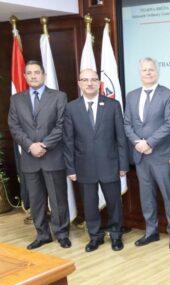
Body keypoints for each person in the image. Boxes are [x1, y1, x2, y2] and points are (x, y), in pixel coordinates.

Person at [63, 69, 129, 252]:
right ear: (79, 83)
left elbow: (121, 138)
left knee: (114, 204)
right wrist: (70, 168)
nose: (90, 83)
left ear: (99, 83)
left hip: (110, 164)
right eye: (85, 80)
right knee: (89, 205)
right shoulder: (71, 108)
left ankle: (116, 236)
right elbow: (68, 141)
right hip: (83, 166)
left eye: (93, 79)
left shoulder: (112, 105)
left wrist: (123, 165)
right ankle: (95, 237)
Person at [8, 60, 70, 250]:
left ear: (44, 75)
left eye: (37, 72)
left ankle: (62, 234)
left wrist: (44, 145)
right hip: (30, 159)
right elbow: (14, 127)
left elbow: (62, 125)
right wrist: (30, 146)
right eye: (29, 73)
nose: (33, 76)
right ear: (25, 76)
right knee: (36, 200)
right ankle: (42, 235)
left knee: (58, 199)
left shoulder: (59, 96)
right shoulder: (16, 99)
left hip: (52, 156)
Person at [124, 57, 170, 250]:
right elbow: (127, 124)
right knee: (146, 196)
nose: (148, 73)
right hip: (140, 156)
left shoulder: (168, 95)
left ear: (157, 72)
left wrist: (149, 142)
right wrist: (138, 143)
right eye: (144, 70)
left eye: (151, 69)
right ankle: (151, 232)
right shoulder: (131, 96)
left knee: (169, 196)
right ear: (140, 73)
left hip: (161, 155)